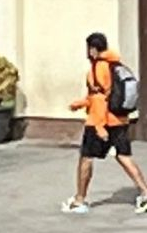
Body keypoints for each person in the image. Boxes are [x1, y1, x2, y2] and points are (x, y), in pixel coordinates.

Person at [62, 32, 147, 214]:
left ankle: (79, 200)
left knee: (86, 158)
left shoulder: (97, 68)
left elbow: (100, 100)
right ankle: (145, 193)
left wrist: (99, 127)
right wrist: (81, 103)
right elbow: (99, 96)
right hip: (120, 119)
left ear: (92, 49)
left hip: (100, 121)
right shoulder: (115, 65)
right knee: (123, 156)